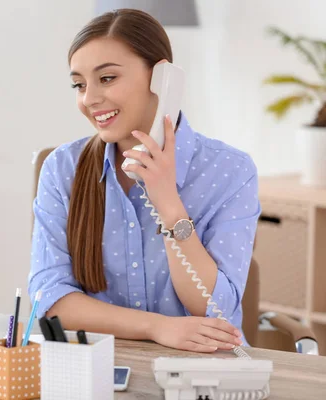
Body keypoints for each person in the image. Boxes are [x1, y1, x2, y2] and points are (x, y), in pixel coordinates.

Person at [28, 9, 261, 353]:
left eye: (106, 78)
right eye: (79, 84)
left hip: (203, 370)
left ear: (163, 79)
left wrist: (167, 202)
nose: (89, 99)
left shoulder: (230, 171)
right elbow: (50, 299)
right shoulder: (62, 168)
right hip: (97, 368)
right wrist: (157, 328)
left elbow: (215, 308)